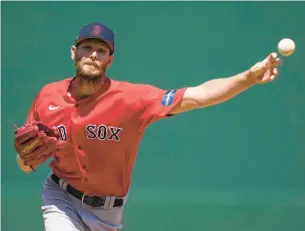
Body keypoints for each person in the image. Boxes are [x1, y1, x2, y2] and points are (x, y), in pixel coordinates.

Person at [14, 22, 281, 231]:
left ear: (110, 59)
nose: (93, 54)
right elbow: (25, 160)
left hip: (107, 213)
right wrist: (25, 160)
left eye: (101, 50)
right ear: (74, 52)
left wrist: (247, 78)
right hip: (60, 197)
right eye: (87, 47)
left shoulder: (132, 99)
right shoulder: (48, 95)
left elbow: (198, 96)